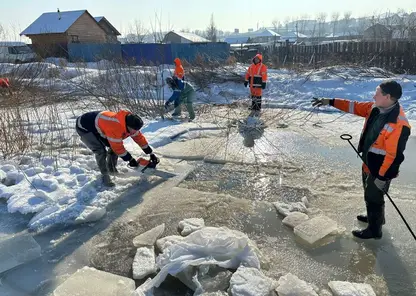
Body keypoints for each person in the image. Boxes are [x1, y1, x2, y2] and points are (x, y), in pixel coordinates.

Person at [312, 80, 411, 239]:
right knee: (369, 193)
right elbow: (353, 106)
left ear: (387, 97)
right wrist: (330, 101)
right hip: (368, 161)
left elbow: (395, 157)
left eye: (377, 93)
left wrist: (382, 177)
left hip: (381, 168)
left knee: (374, 196)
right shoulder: (375, 108)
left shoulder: (399, 124)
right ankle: (376, 217)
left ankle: (375, 230)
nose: (373, 96)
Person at [75, 110, 159, 187]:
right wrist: (130, 159)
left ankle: (111, 170)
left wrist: (150, 153)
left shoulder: (131, 124)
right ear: (127, 126)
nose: (134, 132)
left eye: (136, 130)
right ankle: (105, 176)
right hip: (84, 127)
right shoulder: (115, 127)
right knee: (100, 151)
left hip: (100, 125)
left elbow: (139, 138)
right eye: (133, 130)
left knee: (113, 147)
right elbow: (118, 148)